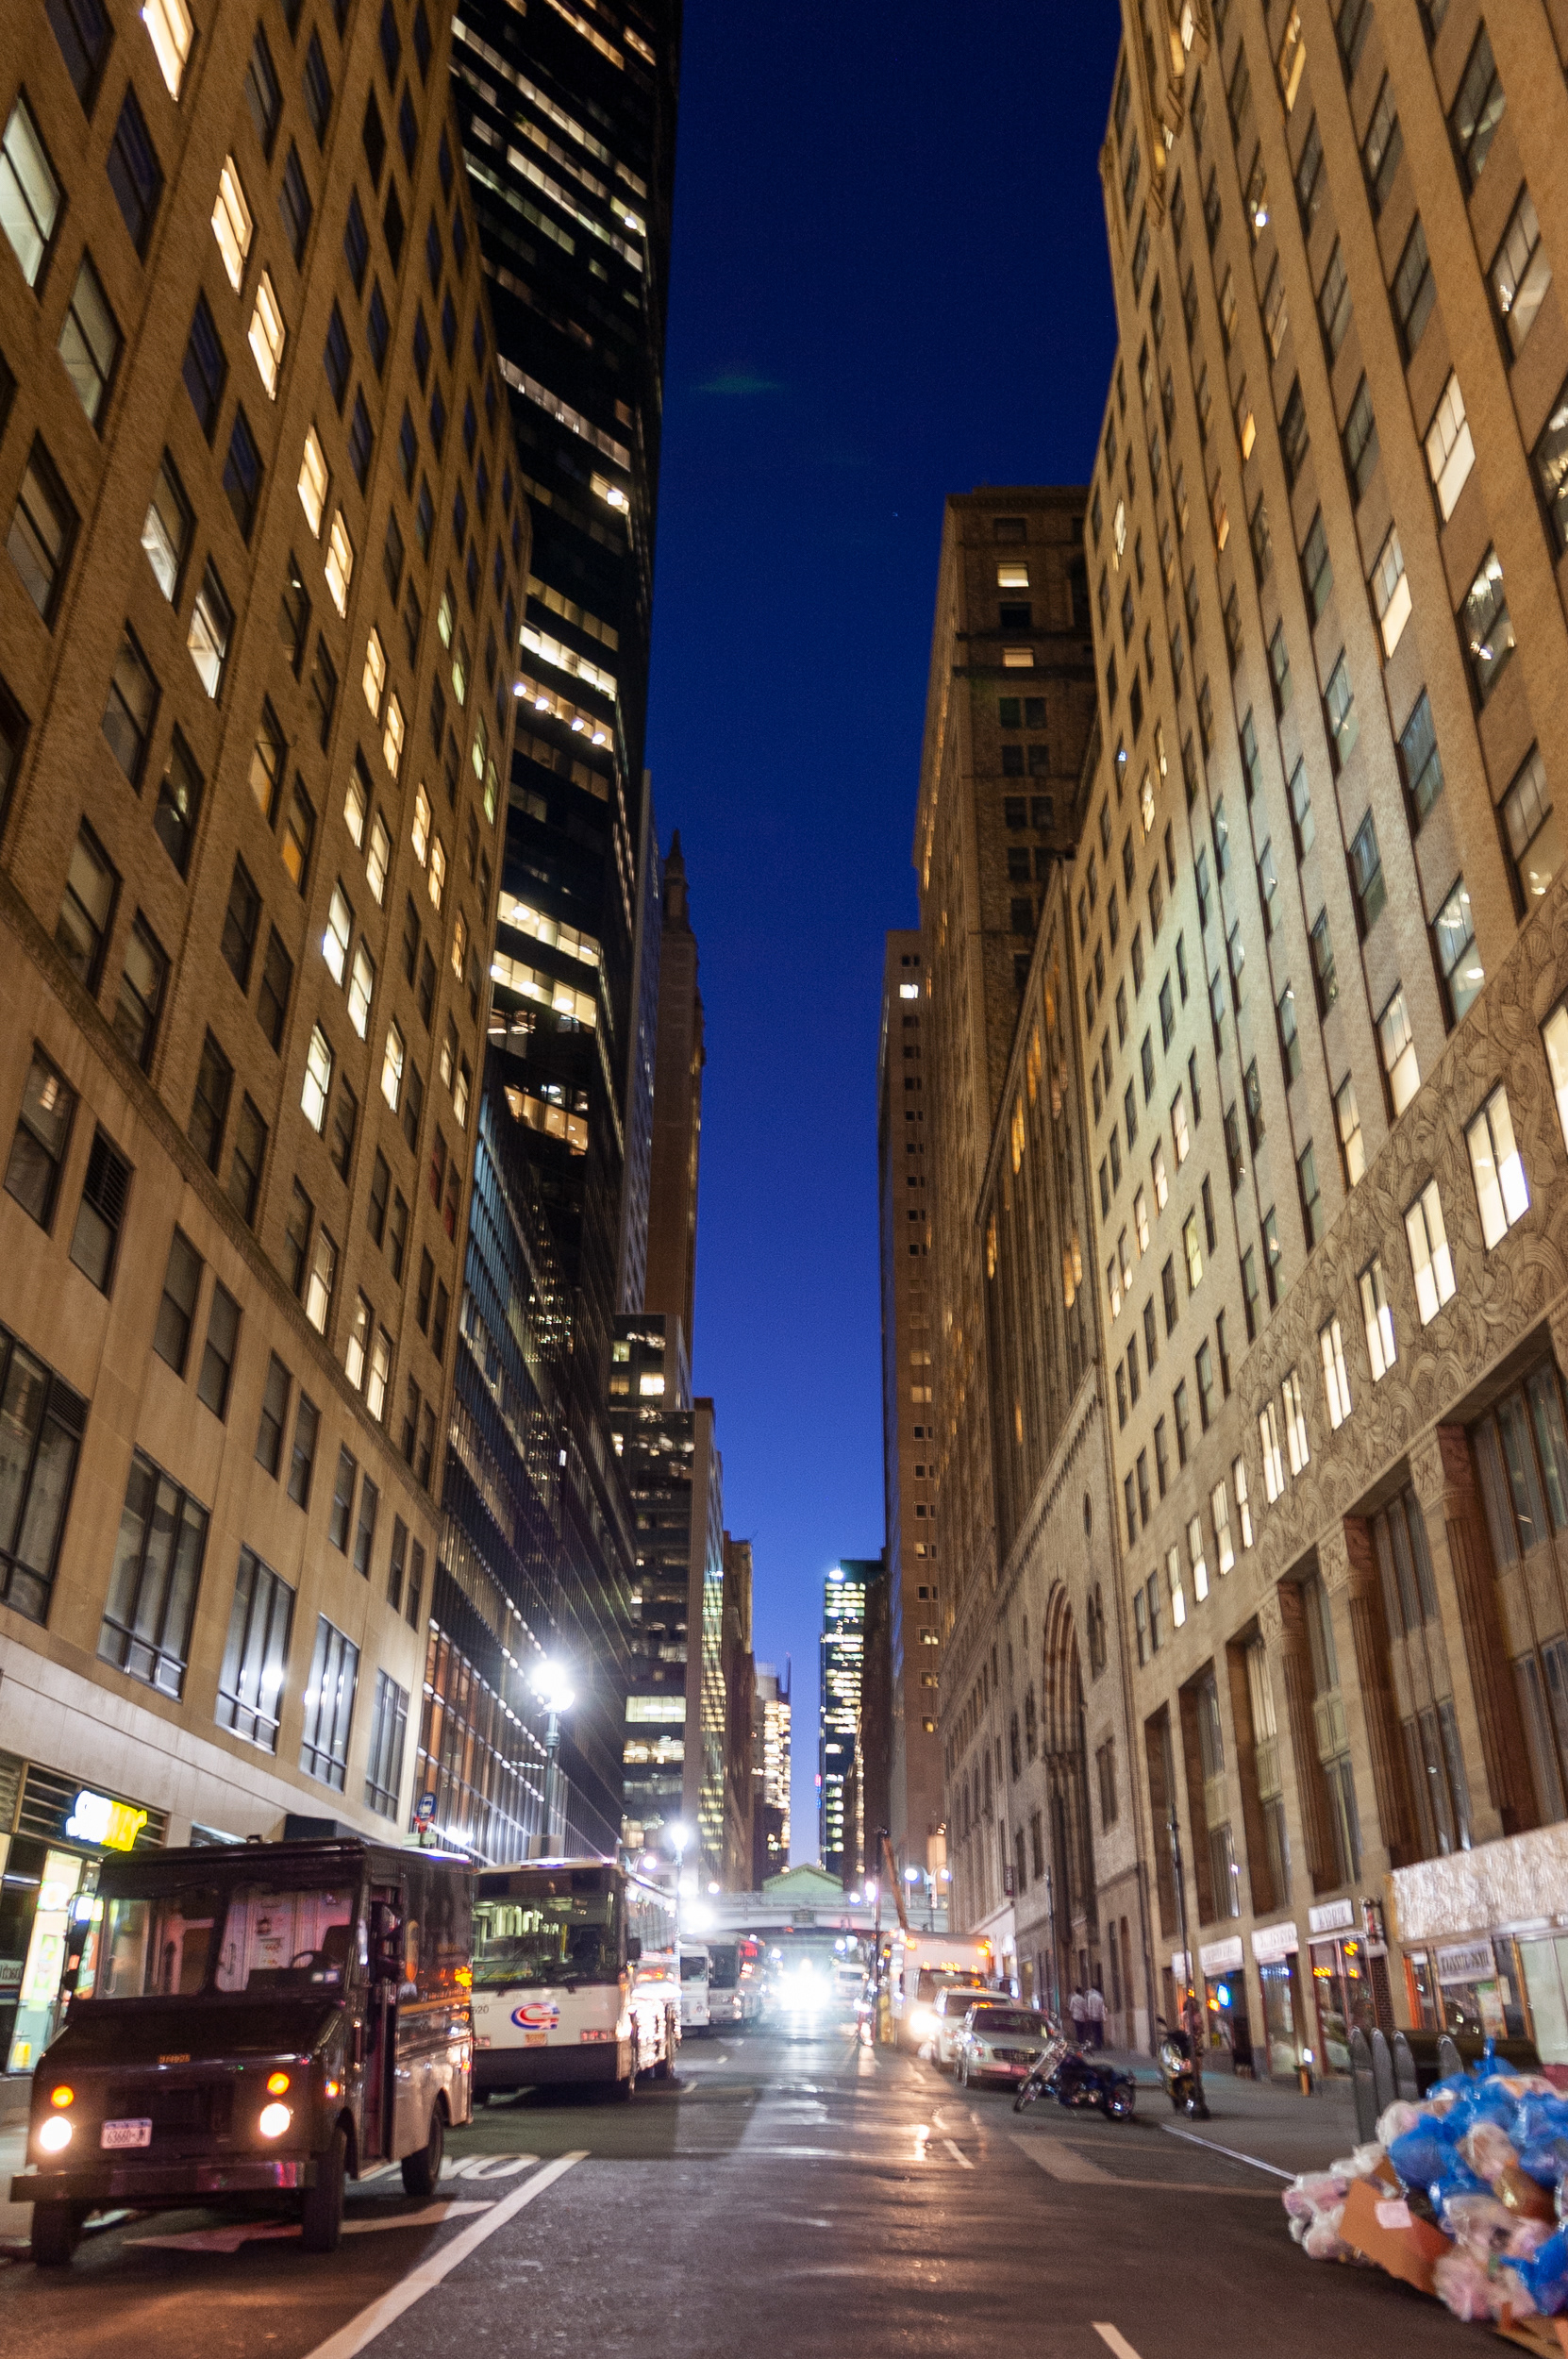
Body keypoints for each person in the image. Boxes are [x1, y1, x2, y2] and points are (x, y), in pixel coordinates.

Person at [1085, 1980, 1107, 2050]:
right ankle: (1100, 2044)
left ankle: (1096, 2044)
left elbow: (1089, 2006)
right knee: (1099, 2030)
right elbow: (1102, 2008)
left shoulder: (1091, 1997)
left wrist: (1089, 2015)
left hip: (1093, 2017)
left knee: (1094, 2031)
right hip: (1099, 2017)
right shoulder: (1100, 1997)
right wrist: (1103, 2017)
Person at [1067, 1984, 1087, 2048]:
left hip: (1075, 2016)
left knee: (1077, 2030)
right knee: (1082, 2030)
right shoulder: (1083, 1999)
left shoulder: (1073, 1998)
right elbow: (1085, 2009)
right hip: (1082, 2017)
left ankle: (1079, 2042)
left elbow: (1071, 2008)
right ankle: (1082, 2042)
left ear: (1076, 1992)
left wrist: (1070, 2016)